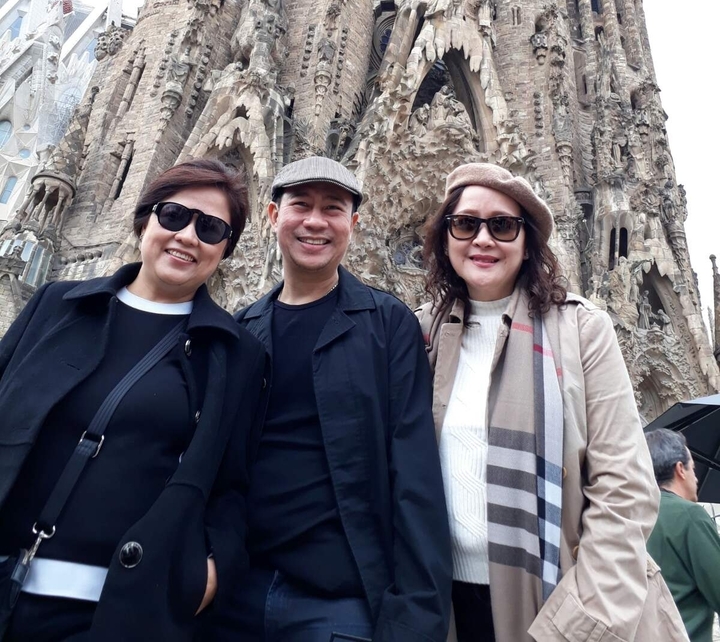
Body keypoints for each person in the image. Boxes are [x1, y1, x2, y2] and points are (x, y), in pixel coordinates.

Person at [417, 162, 688, 642]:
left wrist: (576, 626)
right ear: (444, 236)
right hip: (446, 605)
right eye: (465, 223)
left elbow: (625, 491)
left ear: (527, 243)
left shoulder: (582, 331)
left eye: (502, 225)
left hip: (563, 602)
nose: (482, 239)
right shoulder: (421, 334)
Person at [0, 159, 266, 642]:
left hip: (113, 615)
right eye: (173, 216)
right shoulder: (56, 305)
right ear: (145, 220)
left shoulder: (233, 353)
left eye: (209, 228)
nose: (187, 236)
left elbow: (233, 484)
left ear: (225, 250)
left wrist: (210, 572)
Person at [226, 156, 452, 642]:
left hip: (339, 602)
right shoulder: (240, 330)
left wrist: (415, 617)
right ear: (272, 217)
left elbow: (414, 472)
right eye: (300, 205)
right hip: (235, 591)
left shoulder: (388, 324)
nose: (314, 221)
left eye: (332, 209)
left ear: (352, 224)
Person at [646, 428, 720, 642]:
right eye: (694, 469)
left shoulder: (633, 512)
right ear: (680, 469)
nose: (696, 479)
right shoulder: (690, 515)